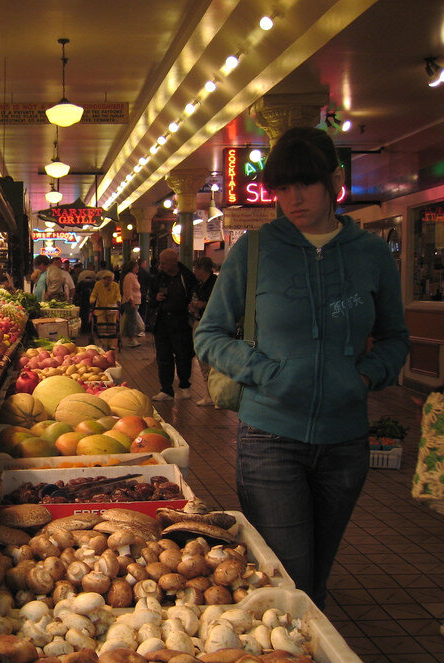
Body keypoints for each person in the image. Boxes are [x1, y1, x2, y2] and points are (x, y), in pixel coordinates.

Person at [194, 126, 409, 609]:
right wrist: (266, 373)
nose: (293, 198)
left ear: (334, 181)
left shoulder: (371, 254)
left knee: (317, 570)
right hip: (270, 438)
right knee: (291, 576)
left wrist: (364, 375)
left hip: (345, 442)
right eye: (283, 187)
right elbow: (209, 334)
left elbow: (396, 337)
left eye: (305, 184)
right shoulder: (254, 251)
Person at [149, 248, 198, 400]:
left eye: (164, 263)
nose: (161, 265)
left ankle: (184, 384)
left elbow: (194, 295)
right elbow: (150, 300)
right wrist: (156, 298)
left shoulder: (187, 276)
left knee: (183, 354)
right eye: (161, 262)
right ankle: (166, 389)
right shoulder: (158, 278)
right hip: (162, 321)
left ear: (173, 261)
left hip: (181, 321)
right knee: (163, 356)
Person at [190, 255, 218, 404]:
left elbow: (217, 304)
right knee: (206, 361)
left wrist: (204, 304)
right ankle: (211, 394)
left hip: (210, 325)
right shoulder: (201, 284)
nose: (194, 272)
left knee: (208, 360)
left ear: (202, 269)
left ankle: (214, 395)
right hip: (201, 322)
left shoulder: (214, 284)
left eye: (196, 269)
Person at [89, 270, 121, 346]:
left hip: (111, 308)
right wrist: (92, 300)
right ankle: (102, 343)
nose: (107, 281)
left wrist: (118, 300)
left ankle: (110, 344)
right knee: (101, 325)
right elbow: (94, 294)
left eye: (110, 280)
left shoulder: (115, 285)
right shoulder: (98, 284)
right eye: (106, 279)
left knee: (112, 326)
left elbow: (118, 295)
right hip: (100, 308)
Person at [121, 261, 144, 347]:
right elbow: (128, 290)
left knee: (132, 320)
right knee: (132, 321)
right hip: (130, 302)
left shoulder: (134, 276)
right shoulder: (129, 276)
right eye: (136, 267)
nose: (137, 268)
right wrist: (131, 300)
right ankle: (131, 339)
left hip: (135, 301)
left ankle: (131, 338)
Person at [75, 269, 96, 335]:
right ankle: (91, 328)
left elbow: (77, 291)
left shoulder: (81, 282)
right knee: (93, 314)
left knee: (83, 314)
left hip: (83, 300)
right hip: (92, 301)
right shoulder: (95, 283)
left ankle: (84, 328)